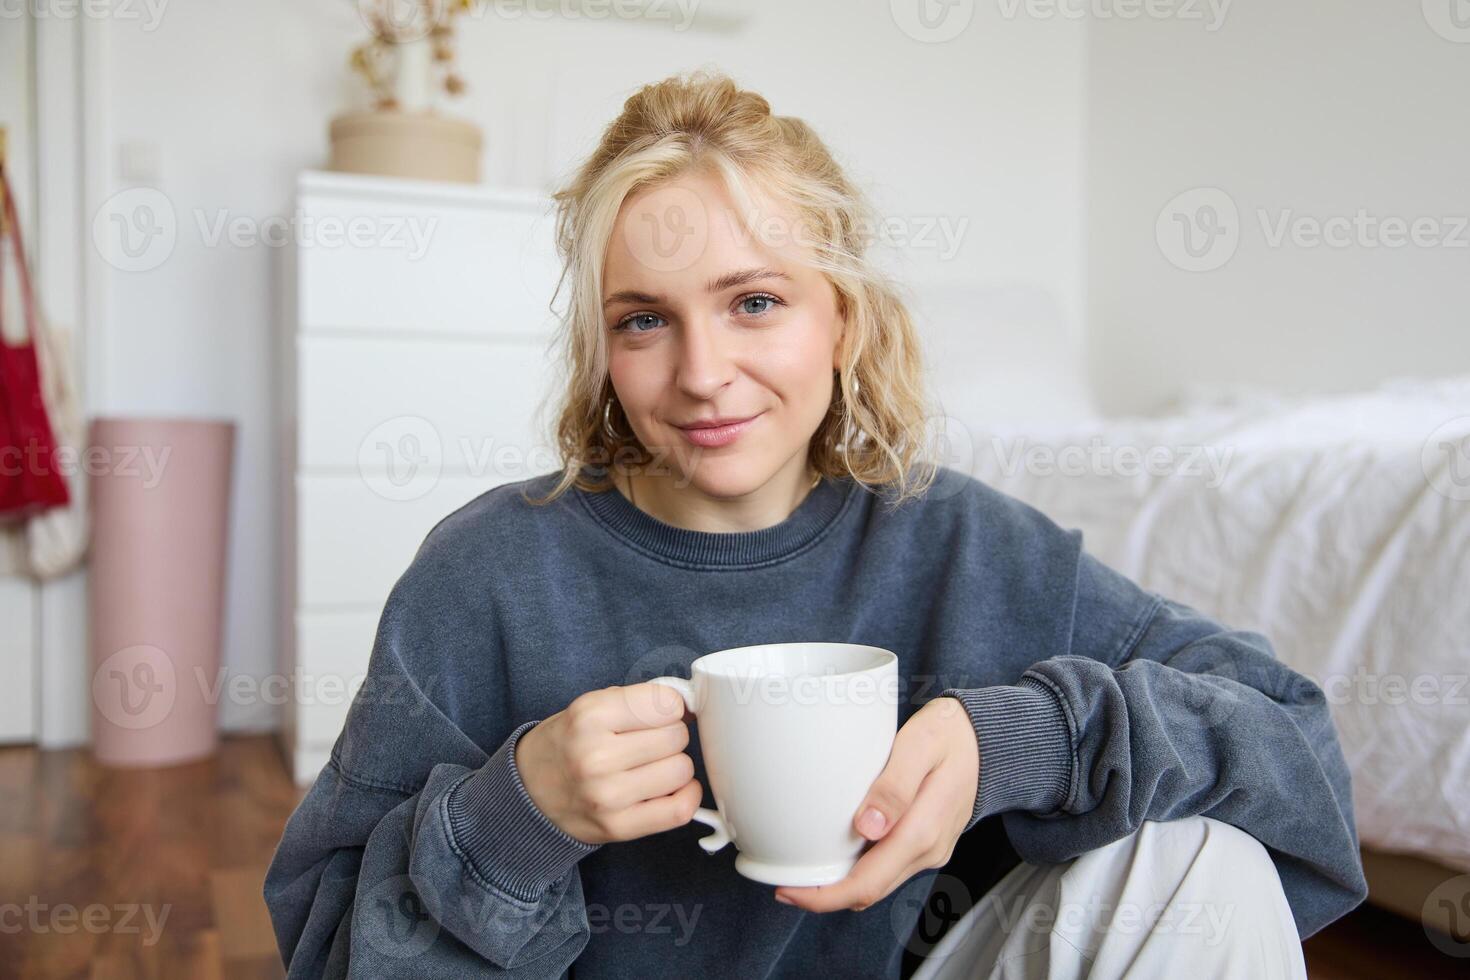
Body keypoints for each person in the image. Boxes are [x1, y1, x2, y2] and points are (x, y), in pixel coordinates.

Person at [264, 70, 1367, 978]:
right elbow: (322, 945)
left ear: (841, 316)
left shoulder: (964, 544)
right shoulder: (488, 576)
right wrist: (514, 815)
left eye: (755, 301)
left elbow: (1293, 739)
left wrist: (1023, 737)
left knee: (1198, 854)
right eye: (645, 319)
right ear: (602, 350)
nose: (704, 374)